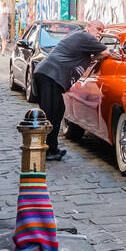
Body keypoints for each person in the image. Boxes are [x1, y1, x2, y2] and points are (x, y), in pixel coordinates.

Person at [32, 19, 109, 160]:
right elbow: (105, 52)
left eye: (102, 31)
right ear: (89, 26)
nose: (100, 33)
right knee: (51, 114)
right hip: (50, 75)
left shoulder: (82, 39)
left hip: (49, 76)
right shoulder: (85, 36)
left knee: (58, 111)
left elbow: (94, 56)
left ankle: (52, 149)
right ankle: (46, 150)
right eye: (98, 29)